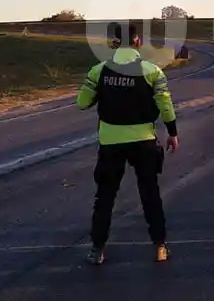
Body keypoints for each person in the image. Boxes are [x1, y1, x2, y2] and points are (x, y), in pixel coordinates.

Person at [76, 22, 180, 265]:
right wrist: (172, 133)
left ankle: (97, 250)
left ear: (114, 42)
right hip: (144, 141)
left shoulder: (98, 71)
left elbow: (82, 102)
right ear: (137, 42)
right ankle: (160, 247)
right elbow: (165, 105)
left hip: (110, 143)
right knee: (150, 194)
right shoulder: (152, 71)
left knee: (105, 197)